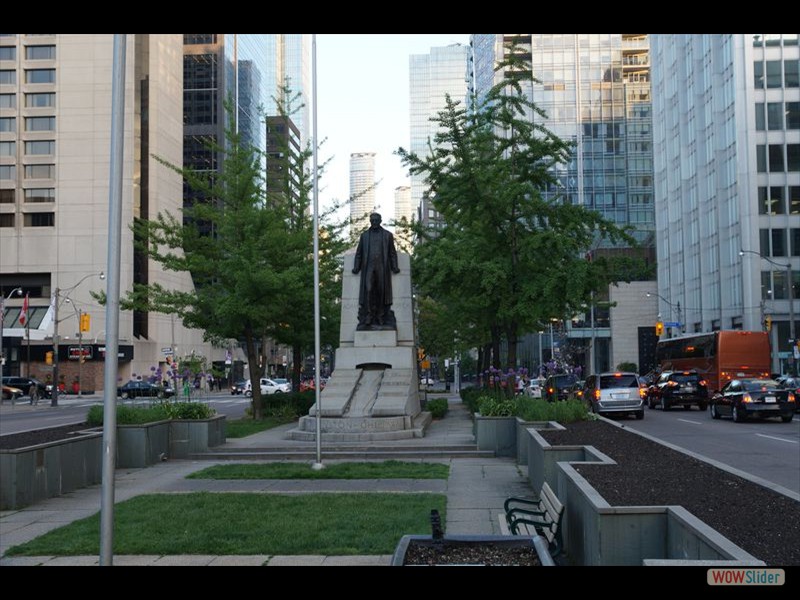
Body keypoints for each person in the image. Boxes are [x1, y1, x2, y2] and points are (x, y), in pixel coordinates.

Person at [352, 212, 400, 330]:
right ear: (370, 221)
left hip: (382, 267)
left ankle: (381, 316)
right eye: (372, 220)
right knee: (368, 290)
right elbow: (359, 253)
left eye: (376, 220)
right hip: (369, 267)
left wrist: (394, 266)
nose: (374, 222)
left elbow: (392, 253)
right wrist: (356, 267)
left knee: (381, 291)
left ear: (380, 221)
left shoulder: (387, 235)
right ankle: (368, 315)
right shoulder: (364, 236)